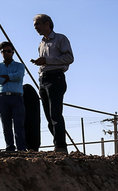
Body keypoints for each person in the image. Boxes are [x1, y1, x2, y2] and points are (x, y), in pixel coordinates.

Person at [31, 14, 74, 153]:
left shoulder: (60, 39)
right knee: (49, 116)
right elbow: (46, 60)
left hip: (55, 78)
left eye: (37, 24)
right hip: (43, 79)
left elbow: (69, 58)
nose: (35, 27)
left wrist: (47, 61)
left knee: (55, 114)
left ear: (47, 23)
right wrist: (41, 63)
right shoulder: (41, 43)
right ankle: (58, 145)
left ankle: (61, 147)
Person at [0, 42, 26, 152]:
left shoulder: (19, 65)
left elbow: (19, 75)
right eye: (4, 51)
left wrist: (5, 77)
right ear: (1, 52)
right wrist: (11, 77)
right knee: (6, 125)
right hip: (3, 98)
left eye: (9, 51)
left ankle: (21, 148)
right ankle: (10, 147)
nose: (6, 53)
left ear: (13, 52)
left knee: (18, 124)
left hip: (16, 97)